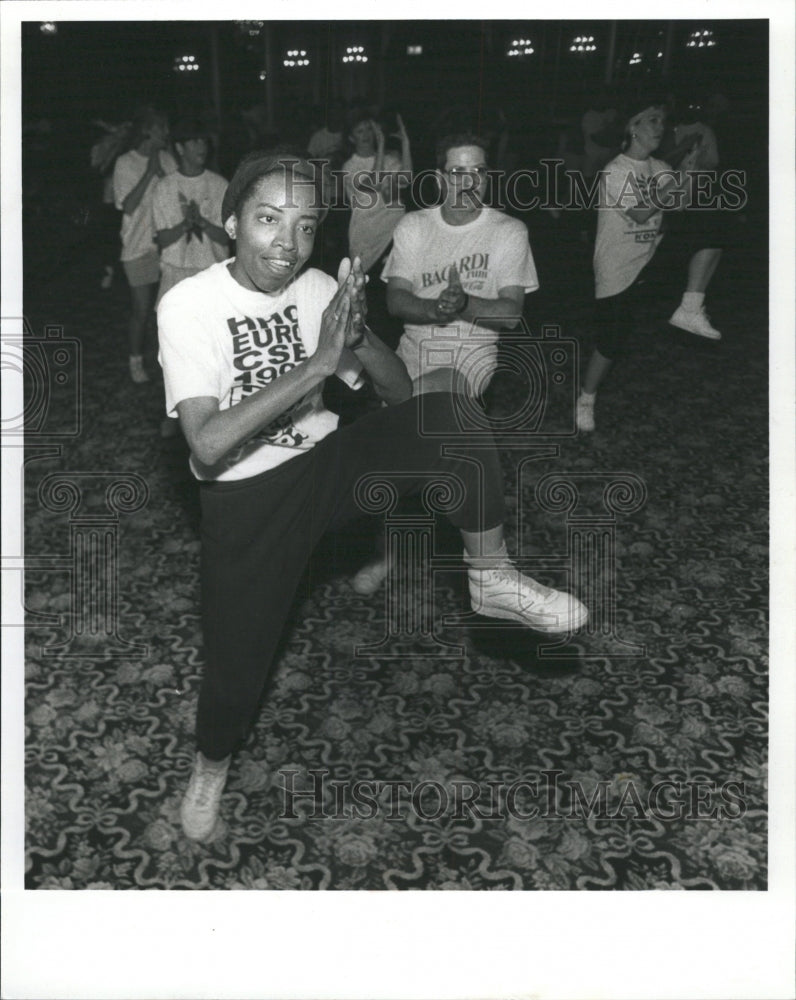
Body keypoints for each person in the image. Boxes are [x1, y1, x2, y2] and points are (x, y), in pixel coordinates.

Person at [157, 149, 588, 842]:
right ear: (232, 222)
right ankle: (211, 765)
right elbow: (205, 444)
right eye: (269, 220)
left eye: (304, 227)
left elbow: (398, 396)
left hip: (326, 466)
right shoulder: (189, 304)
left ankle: (493, 577)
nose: (287, 243)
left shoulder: (319, 286)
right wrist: (319, 364)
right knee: (238, 667)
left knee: (449, 410)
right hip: (247, 500)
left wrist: (359, 339)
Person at [350, 131, 540, 595]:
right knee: (407, 453)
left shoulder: (508, 231)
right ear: (440, 178)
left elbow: (512, 314)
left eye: (477, 171)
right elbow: (396, 301)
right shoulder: (415, 226)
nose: (467, 181)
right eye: (457, 172)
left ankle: (485, 564)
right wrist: (435, 309)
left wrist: (463, 305)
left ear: (487, 177)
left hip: (472, 358)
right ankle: (392, 553)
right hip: (412, 354)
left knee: (432, 404)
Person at [575, 97, 711, 434]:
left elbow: (679, 205)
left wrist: (688, 170)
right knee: (611, 341)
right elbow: (639, 212)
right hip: (617, 266)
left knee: (709, 231)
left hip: (650, 260)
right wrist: (674, 177)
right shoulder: (615, 171)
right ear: (632, 128)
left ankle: (691, 306)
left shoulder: (661, 168)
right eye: (651, 120)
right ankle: (585, 399)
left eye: (662, 122)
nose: (659, 127)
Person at [113, 107, 177, 383]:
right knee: (141, 310)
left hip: (168, 247)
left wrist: (162, 173)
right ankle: (135, 360)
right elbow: (126, 205)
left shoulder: (168, 159)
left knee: (170, 310)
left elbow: (178, 196)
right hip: (137, 248)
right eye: (162, 128)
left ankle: (172, 362)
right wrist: (150, 173)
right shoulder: (125, 163)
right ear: (148, 131)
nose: (167, 133)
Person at [341, 113, 412, 349]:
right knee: (368, 303)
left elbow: (406, 180)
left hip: (393, 235)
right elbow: (374, 182)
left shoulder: (390, 158)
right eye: (360, 131)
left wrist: (405, 142)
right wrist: (382, 144)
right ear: (351, 138)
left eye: (369, 130)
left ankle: (399, 349)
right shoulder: (350, 166)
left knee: (395, 294)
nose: (367, 136)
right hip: (366, 238)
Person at [661, 97, 726, 340]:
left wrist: (695, 166)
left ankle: (691, 306)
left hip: (685, 192)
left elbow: (712, 163)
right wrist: (685, 147)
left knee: (712, 240)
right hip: (661, 193)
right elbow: (665, 159)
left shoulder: (705, 131)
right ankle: (688, 306)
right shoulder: (668, 133)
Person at [152, 118, 229, 305]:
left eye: (204, 141)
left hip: (212, 272)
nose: (202, 146)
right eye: (195, 141)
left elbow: (226, 238)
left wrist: (203, 223)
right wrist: (185, 225)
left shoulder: (220, 185)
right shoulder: (164, 187)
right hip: (176, 273)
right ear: (179, 148)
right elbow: (162, 239)